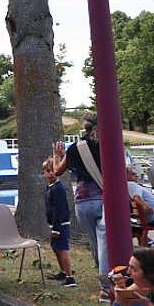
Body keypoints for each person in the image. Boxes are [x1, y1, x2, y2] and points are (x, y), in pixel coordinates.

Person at [52, 112, 107, 289]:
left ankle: (103, 280)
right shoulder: (107, 144)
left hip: (83, 201)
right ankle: (106, 286)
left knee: (95, 242)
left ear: (85, 127)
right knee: (105, 242)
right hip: (104, 198)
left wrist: (57, 156)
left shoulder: (76, 148)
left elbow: (58, 171)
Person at [44, 155, 78, 286]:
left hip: (61, 224)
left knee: (63, 249)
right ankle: (63, 271)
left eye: (53, 170)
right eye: (48, 171)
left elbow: (59, 209)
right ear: (44, 173)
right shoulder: (50, 187)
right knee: (56, 248)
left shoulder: (58, 188)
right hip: (54, 224)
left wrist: (57, 228)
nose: (51, 173)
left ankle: (70, 277)